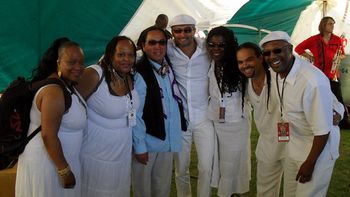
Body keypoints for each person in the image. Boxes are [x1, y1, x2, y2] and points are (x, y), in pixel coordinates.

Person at [260, 31, 341, 196]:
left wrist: (310, 163)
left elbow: (322, 131)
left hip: (318, 150)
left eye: (277, 50)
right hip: (294, 146)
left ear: (290, 49)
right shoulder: (274, 73)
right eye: (267, 53)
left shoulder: (312, 80)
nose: (272, 56)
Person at [16, 39, 87, 197]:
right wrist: (64, 171)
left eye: (81, 62)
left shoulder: (65, 84)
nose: (78, 67)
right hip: (48, 165)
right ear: (58, 62)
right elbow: (48, 134)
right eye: (71, 62)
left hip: (56, 161)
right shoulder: (53, 91)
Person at [76, 36, 139, 197]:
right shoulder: (94, 74)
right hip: (95, 154)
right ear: (111, 55)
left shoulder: (128, 75)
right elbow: (71, 108)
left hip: (121, 154)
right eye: (121, 54)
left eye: (130, 55)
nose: (127, 59)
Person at [132, 26, 183, 197]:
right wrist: (139, 146)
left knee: (162, 188)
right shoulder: (139, 72)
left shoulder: (168, 66)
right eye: (152, 42)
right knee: (143, 190)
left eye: (162, 42)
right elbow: (135, 113)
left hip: (165, 139)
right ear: (143, 46)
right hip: (147, 142)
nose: (158, 46)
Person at [167, 14, 215, 197]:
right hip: (180, 120)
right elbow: (142, 52)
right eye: (178, 31)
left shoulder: (207, 49)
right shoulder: (167, 49)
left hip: (205, 118)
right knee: (181, 168)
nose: (182, 34)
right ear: (172, 32)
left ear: (194, 30)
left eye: (187, 30)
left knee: (206, 167)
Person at [206, 26, 251, 197]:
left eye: (221, 45)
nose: (216, 49)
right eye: (212, 44)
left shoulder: (239, 65)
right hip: (215, 123)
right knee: (219, 162)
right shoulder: (209, 63)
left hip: (236, 123)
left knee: (232, 163)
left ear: (229, 45)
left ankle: (230, 194)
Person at [236, 42, 285, 197]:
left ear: (260, 58)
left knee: (296, 190)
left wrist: (337, 111)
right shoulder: (245, 84)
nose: (245, 65)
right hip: (267, 144)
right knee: (265, 191)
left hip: (292, 142)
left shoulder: (280, 77)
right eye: (240, 62)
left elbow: (325, 97)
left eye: (249, 59)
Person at [295, 16, 349, 128]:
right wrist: (310, 56)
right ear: (323, 25)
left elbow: (343, 54)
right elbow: (298, 48)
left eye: (333, 24)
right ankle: (318, 118)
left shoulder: (337, 39)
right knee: (318, 98)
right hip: (318, 74)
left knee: (338, 98)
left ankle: (343, 122)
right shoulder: (314, 39)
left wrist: (338, 57)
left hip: (333, 74)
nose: (333, 26)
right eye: (330, 24)